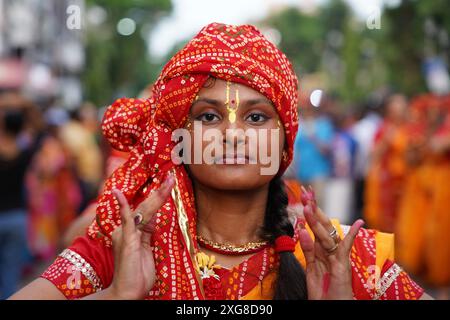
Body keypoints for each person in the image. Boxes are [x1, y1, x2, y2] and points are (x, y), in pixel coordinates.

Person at [10, 23, 429, 300]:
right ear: (178, 136)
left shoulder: (337, 254)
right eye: (208, 116)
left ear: (286, 137)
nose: (232, 134)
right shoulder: (126, 248)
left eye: (257, 117)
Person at [364, 94, 409, 233]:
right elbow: (373, 154)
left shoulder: (411, 129)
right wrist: (385, 141)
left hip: (407, 180)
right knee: (386, 219)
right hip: (387, 181)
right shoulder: (384, 129)